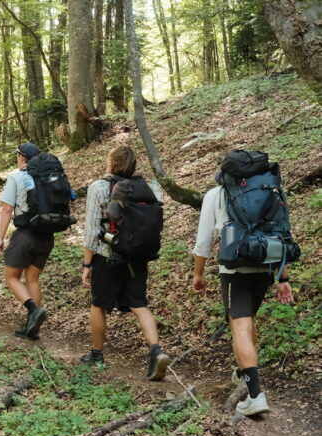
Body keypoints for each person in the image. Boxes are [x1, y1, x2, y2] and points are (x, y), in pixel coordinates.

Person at [192, 150, 295, 416]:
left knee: (239, 326)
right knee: (246, 322)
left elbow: (203, 243)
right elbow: (282, 232)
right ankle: (243, 372)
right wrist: (283, 279)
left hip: (233, 269)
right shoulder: (271, 190)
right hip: (265, 265)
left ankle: (254, 394)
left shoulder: (217, 195)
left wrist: (198, 274)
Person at [80, 144, 170, 380]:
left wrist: (87, 265)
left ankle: (97, 355)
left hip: (107, 256)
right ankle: (156, 351)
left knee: (99, 304)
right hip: (138, 257)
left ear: (111, 162)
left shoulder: (99, 187)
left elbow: (91, 232)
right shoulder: (148, 188)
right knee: (139, 304)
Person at [0, 142, 51, 340]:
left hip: (26, 234)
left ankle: (33, 311)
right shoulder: (47, 176)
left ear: (21, 157)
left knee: (11, 277)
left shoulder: (17, 177)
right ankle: (31, 326)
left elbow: (7, 210)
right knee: (32, 279)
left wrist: (0, 238)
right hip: (47, 235)